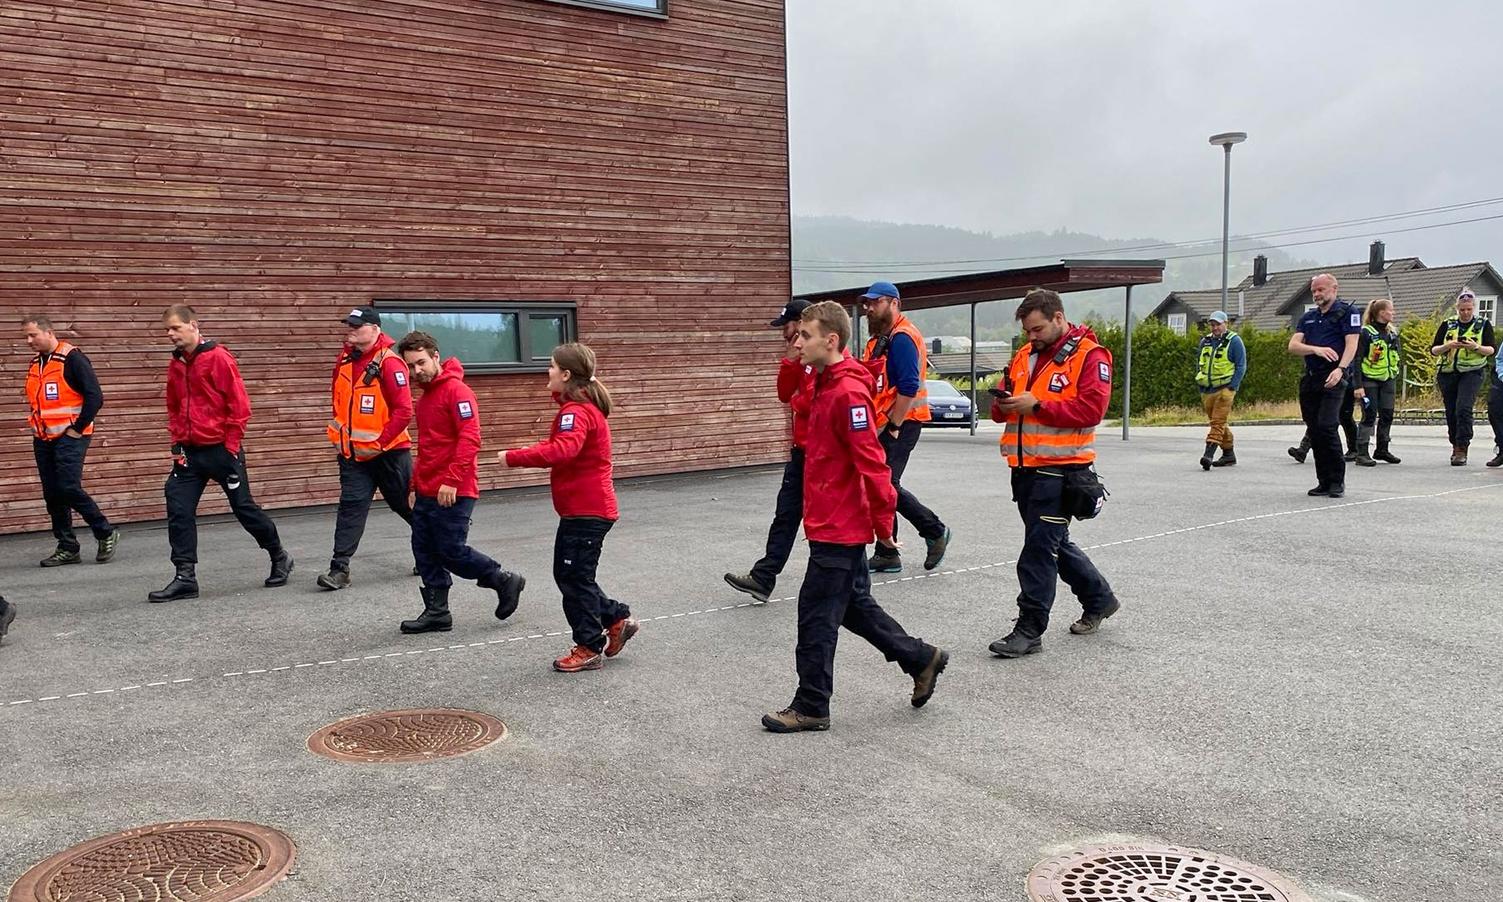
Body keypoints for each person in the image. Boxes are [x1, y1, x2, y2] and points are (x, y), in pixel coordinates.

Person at [761, 301, 949, 733]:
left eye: (804, 335)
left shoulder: (847, 392)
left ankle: (812, 706)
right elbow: (789, 394)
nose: (797, 340)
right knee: (853, 608)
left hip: (841, 528)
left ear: (831, 340)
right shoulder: (823, 382)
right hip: (827, 520)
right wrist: (793, 361)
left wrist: (883, 530)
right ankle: (922, 658)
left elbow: (873, 465)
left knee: (815, 617)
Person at [988, 289, 1120, 658]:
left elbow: (1092, 410)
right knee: (1053, 543)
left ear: (1059, 318)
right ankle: (1100, 598)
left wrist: (1039, 405)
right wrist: (1002, 404)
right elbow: (1009, 408)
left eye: (1038, 329)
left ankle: (1029, 629)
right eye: (1028, 331)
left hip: (1060, 471)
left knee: (1038, 551)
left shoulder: (1090, 356)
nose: (1032, 337)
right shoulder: (1024, 355)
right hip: (1024, 467)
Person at [499, 343, 638, 673]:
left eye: (550, 366)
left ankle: (590, 645)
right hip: (585, 510)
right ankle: (616, 619)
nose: (546, 372)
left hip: (586, 512)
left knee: (574, 579)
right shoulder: (581, 409)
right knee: (574, 576)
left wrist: (513, 457)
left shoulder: (575, 412)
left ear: (565, 374)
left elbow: (562, 451)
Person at [150, 305, 292, 603]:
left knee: (244, 509)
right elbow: (174, 406)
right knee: (178, 507)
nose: (170, 334)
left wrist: (230, 447)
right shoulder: (176, 364)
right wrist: (177, 444)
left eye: (175, 328)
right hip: (189, 453)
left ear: (193, 325)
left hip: (221, 450)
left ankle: (279, 555)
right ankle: (185, 577)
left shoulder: (218, 358)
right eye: (167, 330)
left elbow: (239, 406)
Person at [395, 331, 525, 634]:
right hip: (427, 489)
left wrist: (452, 480)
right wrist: (414, 485)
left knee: (450, 549)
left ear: (436, 356)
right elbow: (427, 447)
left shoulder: (458, 391)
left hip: (455, 490)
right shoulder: (426, 399)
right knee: (423, 550)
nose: (417, 371)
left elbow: (470, 438)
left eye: (421, 363)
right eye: (410, 366)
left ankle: (502, 579)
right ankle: (437, 612)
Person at [724, 299, 815, 603]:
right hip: (801, 450)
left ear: (802, 322)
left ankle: (928, 530)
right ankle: (764, 578)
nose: (784, 334)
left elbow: (813, 402)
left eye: (787, 326)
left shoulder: (820, 356)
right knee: (786, 515)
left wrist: (800, 401)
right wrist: (790, 360)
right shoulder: (799, 356)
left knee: (823, 518)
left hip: (821, 453)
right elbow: (783, 394)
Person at [318, 306, 416, 589]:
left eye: (356, 326)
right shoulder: (346, 359)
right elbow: (340, 402)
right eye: (349, 325)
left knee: (405, 506)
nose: (350, 330)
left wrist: (380, 443)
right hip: (353, 455)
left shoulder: (390, 362)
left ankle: (430, 552)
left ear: (375, 330)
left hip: (389, 454)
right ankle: (339, 569)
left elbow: (403, 411)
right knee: (351, 507)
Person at [857, 281, 951, 574]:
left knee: (885, 484)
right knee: (881, 483)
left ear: (894, 303)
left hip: (901, 422)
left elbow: (908, 387)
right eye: (867, 304)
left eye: (875, 302)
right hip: (884, 422)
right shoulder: (880, 339)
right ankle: (887, 551)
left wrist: (895, 425)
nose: (868, 308)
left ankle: (934, 530)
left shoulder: (902, 337)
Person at [23, 315, 120, 567]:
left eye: (33, 335)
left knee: (68, 487)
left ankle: (104, 531)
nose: (28, 340)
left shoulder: (72, 358)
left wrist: (77, 428)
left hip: (71, 436)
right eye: (26, 336)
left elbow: (95, 397)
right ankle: (67, 546)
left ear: (49, 332)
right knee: (52, 493)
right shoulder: (36, 364)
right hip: (43, 438)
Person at [1288, 274, 1361, 498]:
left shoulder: (1348, 313)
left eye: (1321, 290)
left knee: (1328, 426)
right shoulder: (1308, 317)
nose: (1317, 294)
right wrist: (1315, 349)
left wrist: (1340, 369)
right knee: (1315, 429)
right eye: (1314, 291)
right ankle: (1323, 481)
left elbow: (1352, 345)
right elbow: (1293, 345)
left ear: (1334, 289)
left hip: (1334, 377)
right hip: (1311, 378)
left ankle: (1337, 481)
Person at [1430, 288, 1494, 466]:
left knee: (1463, 408)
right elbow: (1434, 350)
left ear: (1474, 308)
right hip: (1448, 372)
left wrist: (1475, 347)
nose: (1465, 313)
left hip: (1472, 372)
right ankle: (1454, 443)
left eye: (1469, 309)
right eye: (1462, 309)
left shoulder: (1483, 324)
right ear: (1457, 308)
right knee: (1451, 411)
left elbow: (1491, 350)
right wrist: (1448, 345)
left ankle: (1462, 447)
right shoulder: (1447, 324)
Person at [1194, 310, 1246, 469]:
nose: (1215, 327)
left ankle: (1208, 455)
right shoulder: (1205, 341)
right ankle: (1229, 455)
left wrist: (1233, 386)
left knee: (1217, 423)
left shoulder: (1235, 341)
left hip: (1225, 389)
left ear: (1226, 324)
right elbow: (1199, 363)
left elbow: (1241, 365)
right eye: (1212, 324)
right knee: (1218, 423)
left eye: (1218, 324)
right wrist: (1200, 383)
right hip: (1207, 389)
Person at [1353, 298, 1402, 466]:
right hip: (1369, 380)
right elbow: (1357, 359)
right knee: (1370, 414)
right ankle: (1362, 452)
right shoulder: (1366, 333)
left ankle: (1382, 449)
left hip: (1388, 379)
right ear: (1382, 313)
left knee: (1387, 414)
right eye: (1391, 310)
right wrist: (1358, 385)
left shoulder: (1392, 333)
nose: (1393, 313)